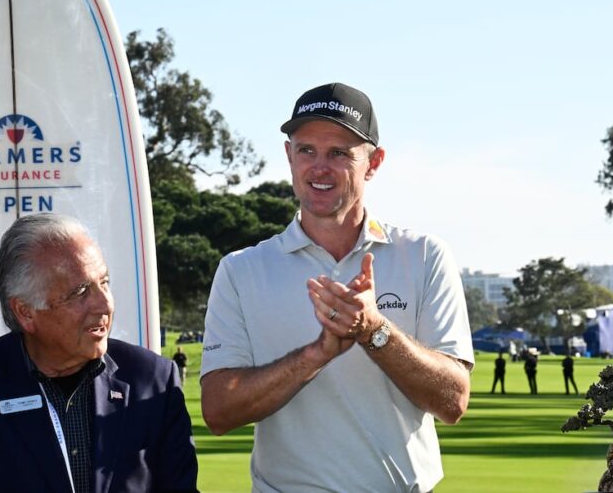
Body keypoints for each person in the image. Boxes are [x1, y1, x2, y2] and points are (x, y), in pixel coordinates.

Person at [199, 82, 474, 492]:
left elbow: (453, 401)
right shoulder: (241, 270)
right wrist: (315, 355)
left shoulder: (424, 256)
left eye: (339, 153)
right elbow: (219, 410)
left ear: (374, 162)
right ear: (289, 156)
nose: (319, 167)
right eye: (306, 150)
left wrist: (374, 331)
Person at [0, 213, 199, 492]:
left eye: (104, 282)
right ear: (25, 312)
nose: (104, 305)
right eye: (81, 292)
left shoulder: (153, 380)